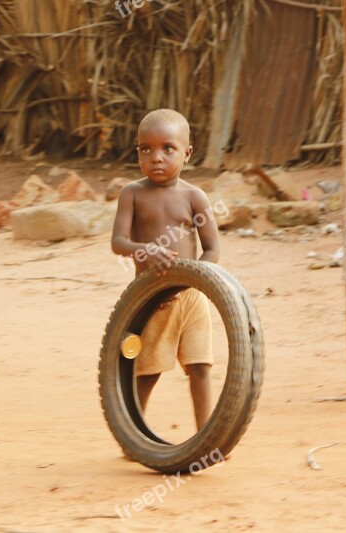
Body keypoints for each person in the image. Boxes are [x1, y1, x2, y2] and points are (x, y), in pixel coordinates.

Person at [111, 109, 220, 430]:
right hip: (152, 298)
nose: (156, 157)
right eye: (146, 149)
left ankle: (207, 434)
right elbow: (118, 242)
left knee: (200, 366)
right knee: (148, 370)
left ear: (187, 153)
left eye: (167, 149)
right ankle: (134, 435)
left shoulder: (194, 197)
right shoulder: (132, 193)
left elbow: (212, 248)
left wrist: (196, 281)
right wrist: (143, 249)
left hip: (191, 297)